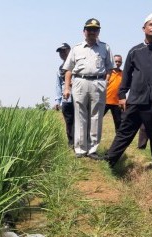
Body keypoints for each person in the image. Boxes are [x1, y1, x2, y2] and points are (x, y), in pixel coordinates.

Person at [106, 12, 152, 170]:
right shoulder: (134, 51)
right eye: (151, 24)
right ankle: (110, 160)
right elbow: (127, 75)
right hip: (135, 100)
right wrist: (122, 95)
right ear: (143, 28)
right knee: (124, 132)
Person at [63, 18, 113, 159]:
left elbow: (110, 68)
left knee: (96, 116)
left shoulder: (105, 47)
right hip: (79, 81)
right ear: (84, 31)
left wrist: (105, 83)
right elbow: (68, 70)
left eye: (95, 29)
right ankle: (80, 149)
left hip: (98, 82)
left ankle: (92, 149)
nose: (92, 32)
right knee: (80, 115)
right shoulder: (76, 48)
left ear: (98, 32)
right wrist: (66, 88)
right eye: (89, 29)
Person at [54, 43, 74, 148]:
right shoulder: (60, 69)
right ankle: (71, 143)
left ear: (70, 51)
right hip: (66, 99)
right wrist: (57, 101)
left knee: (81, 121)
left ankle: (83, 143)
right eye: (60, 52)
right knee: (69, 122)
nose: (62, 53)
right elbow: (58, 85)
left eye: (64, 50)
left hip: (78, 97)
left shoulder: (77, 65)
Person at [104, 55, 123, 132]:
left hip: (117, 103)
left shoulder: (123, 74)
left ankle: (118, 141)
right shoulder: (107, 73)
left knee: (119, 123)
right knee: (96, 120)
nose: (117, 63)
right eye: (116, 61)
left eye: (119, 62)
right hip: (105, 101)